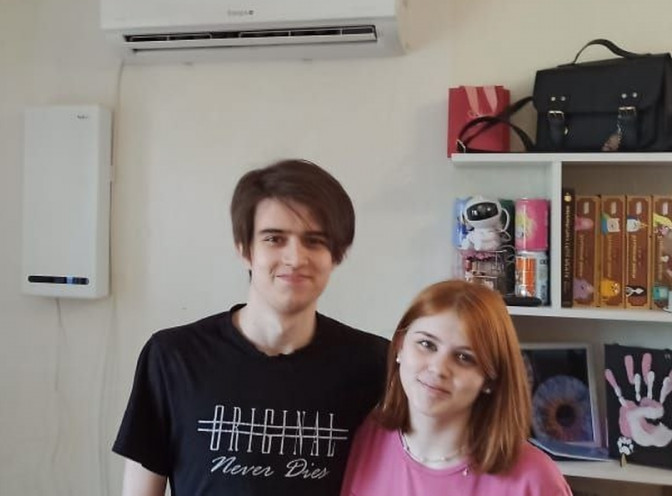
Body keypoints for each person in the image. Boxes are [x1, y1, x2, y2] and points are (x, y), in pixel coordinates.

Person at [113, 159, 388, 496]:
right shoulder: (174, 356)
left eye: (314, 241)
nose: (295, 258)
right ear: (244, 249)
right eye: (274, 239)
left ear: (336, 254)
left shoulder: (375, 363)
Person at [340, 280, 573, 496]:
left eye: (464, 357)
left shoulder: (535, 479)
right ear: (400, 346)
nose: (438, 369)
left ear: (490, 379)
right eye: (426, 344)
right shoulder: (365, 436)